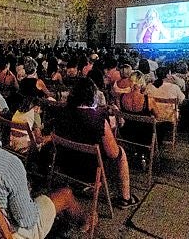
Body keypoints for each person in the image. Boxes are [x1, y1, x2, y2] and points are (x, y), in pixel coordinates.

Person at [0, 85, 92, 239]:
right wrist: (27, 197)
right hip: (8, 233)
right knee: (65, 194)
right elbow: (28, 220)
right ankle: (86, 222)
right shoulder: (8, 163)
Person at [55, 77, 139, 209]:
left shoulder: (62, 113)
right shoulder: (98, 119)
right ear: (92, 94)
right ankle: (125, 197)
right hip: (90, 172)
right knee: (121, 153)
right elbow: (113, 154)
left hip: (66, 166)